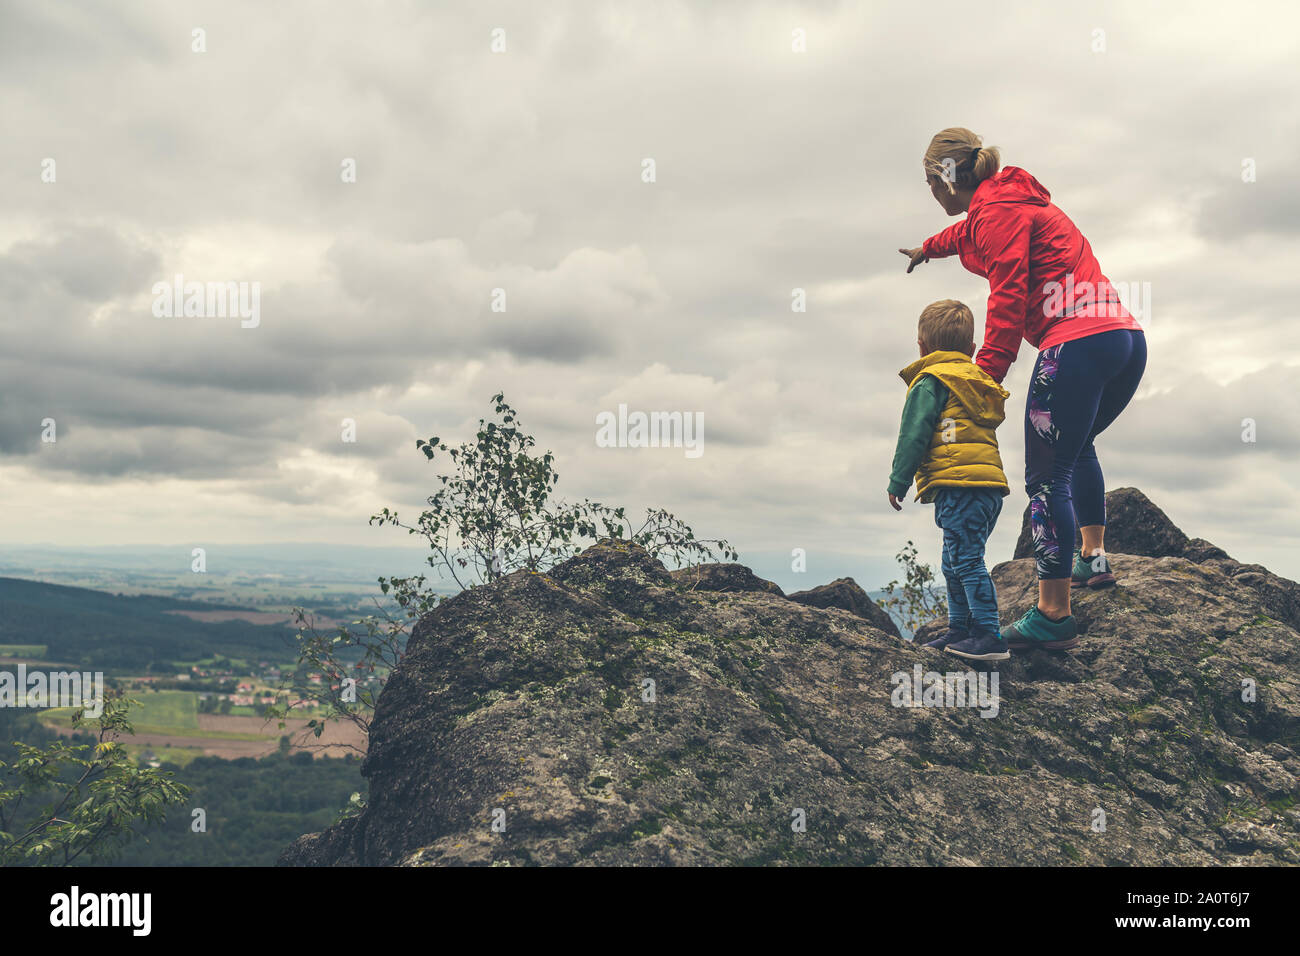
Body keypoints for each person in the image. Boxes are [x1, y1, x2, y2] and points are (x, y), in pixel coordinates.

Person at [899, 127, 1146, 651]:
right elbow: (964, 236)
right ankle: (1092, 559)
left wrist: (983, 377)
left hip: (1073, 342)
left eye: (928, 182)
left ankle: (1053, 614)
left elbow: (1008, 297)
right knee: (1076, 448)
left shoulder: (996, 214)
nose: (928, 193)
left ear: (943, 179)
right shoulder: (1002, 203)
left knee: (1044, 478)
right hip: (1123, 339)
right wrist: (927, 248)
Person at [887, 299, 1011, 662]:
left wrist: (899, 480)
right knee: (954, 559)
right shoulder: (979, 382)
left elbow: (914, 434)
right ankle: (960, 629)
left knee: (967, 559)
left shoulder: (930, 382)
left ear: (922, 347)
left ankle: (989, 634)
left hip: (960, 486)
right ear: (971, 350)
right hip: (987, 487)